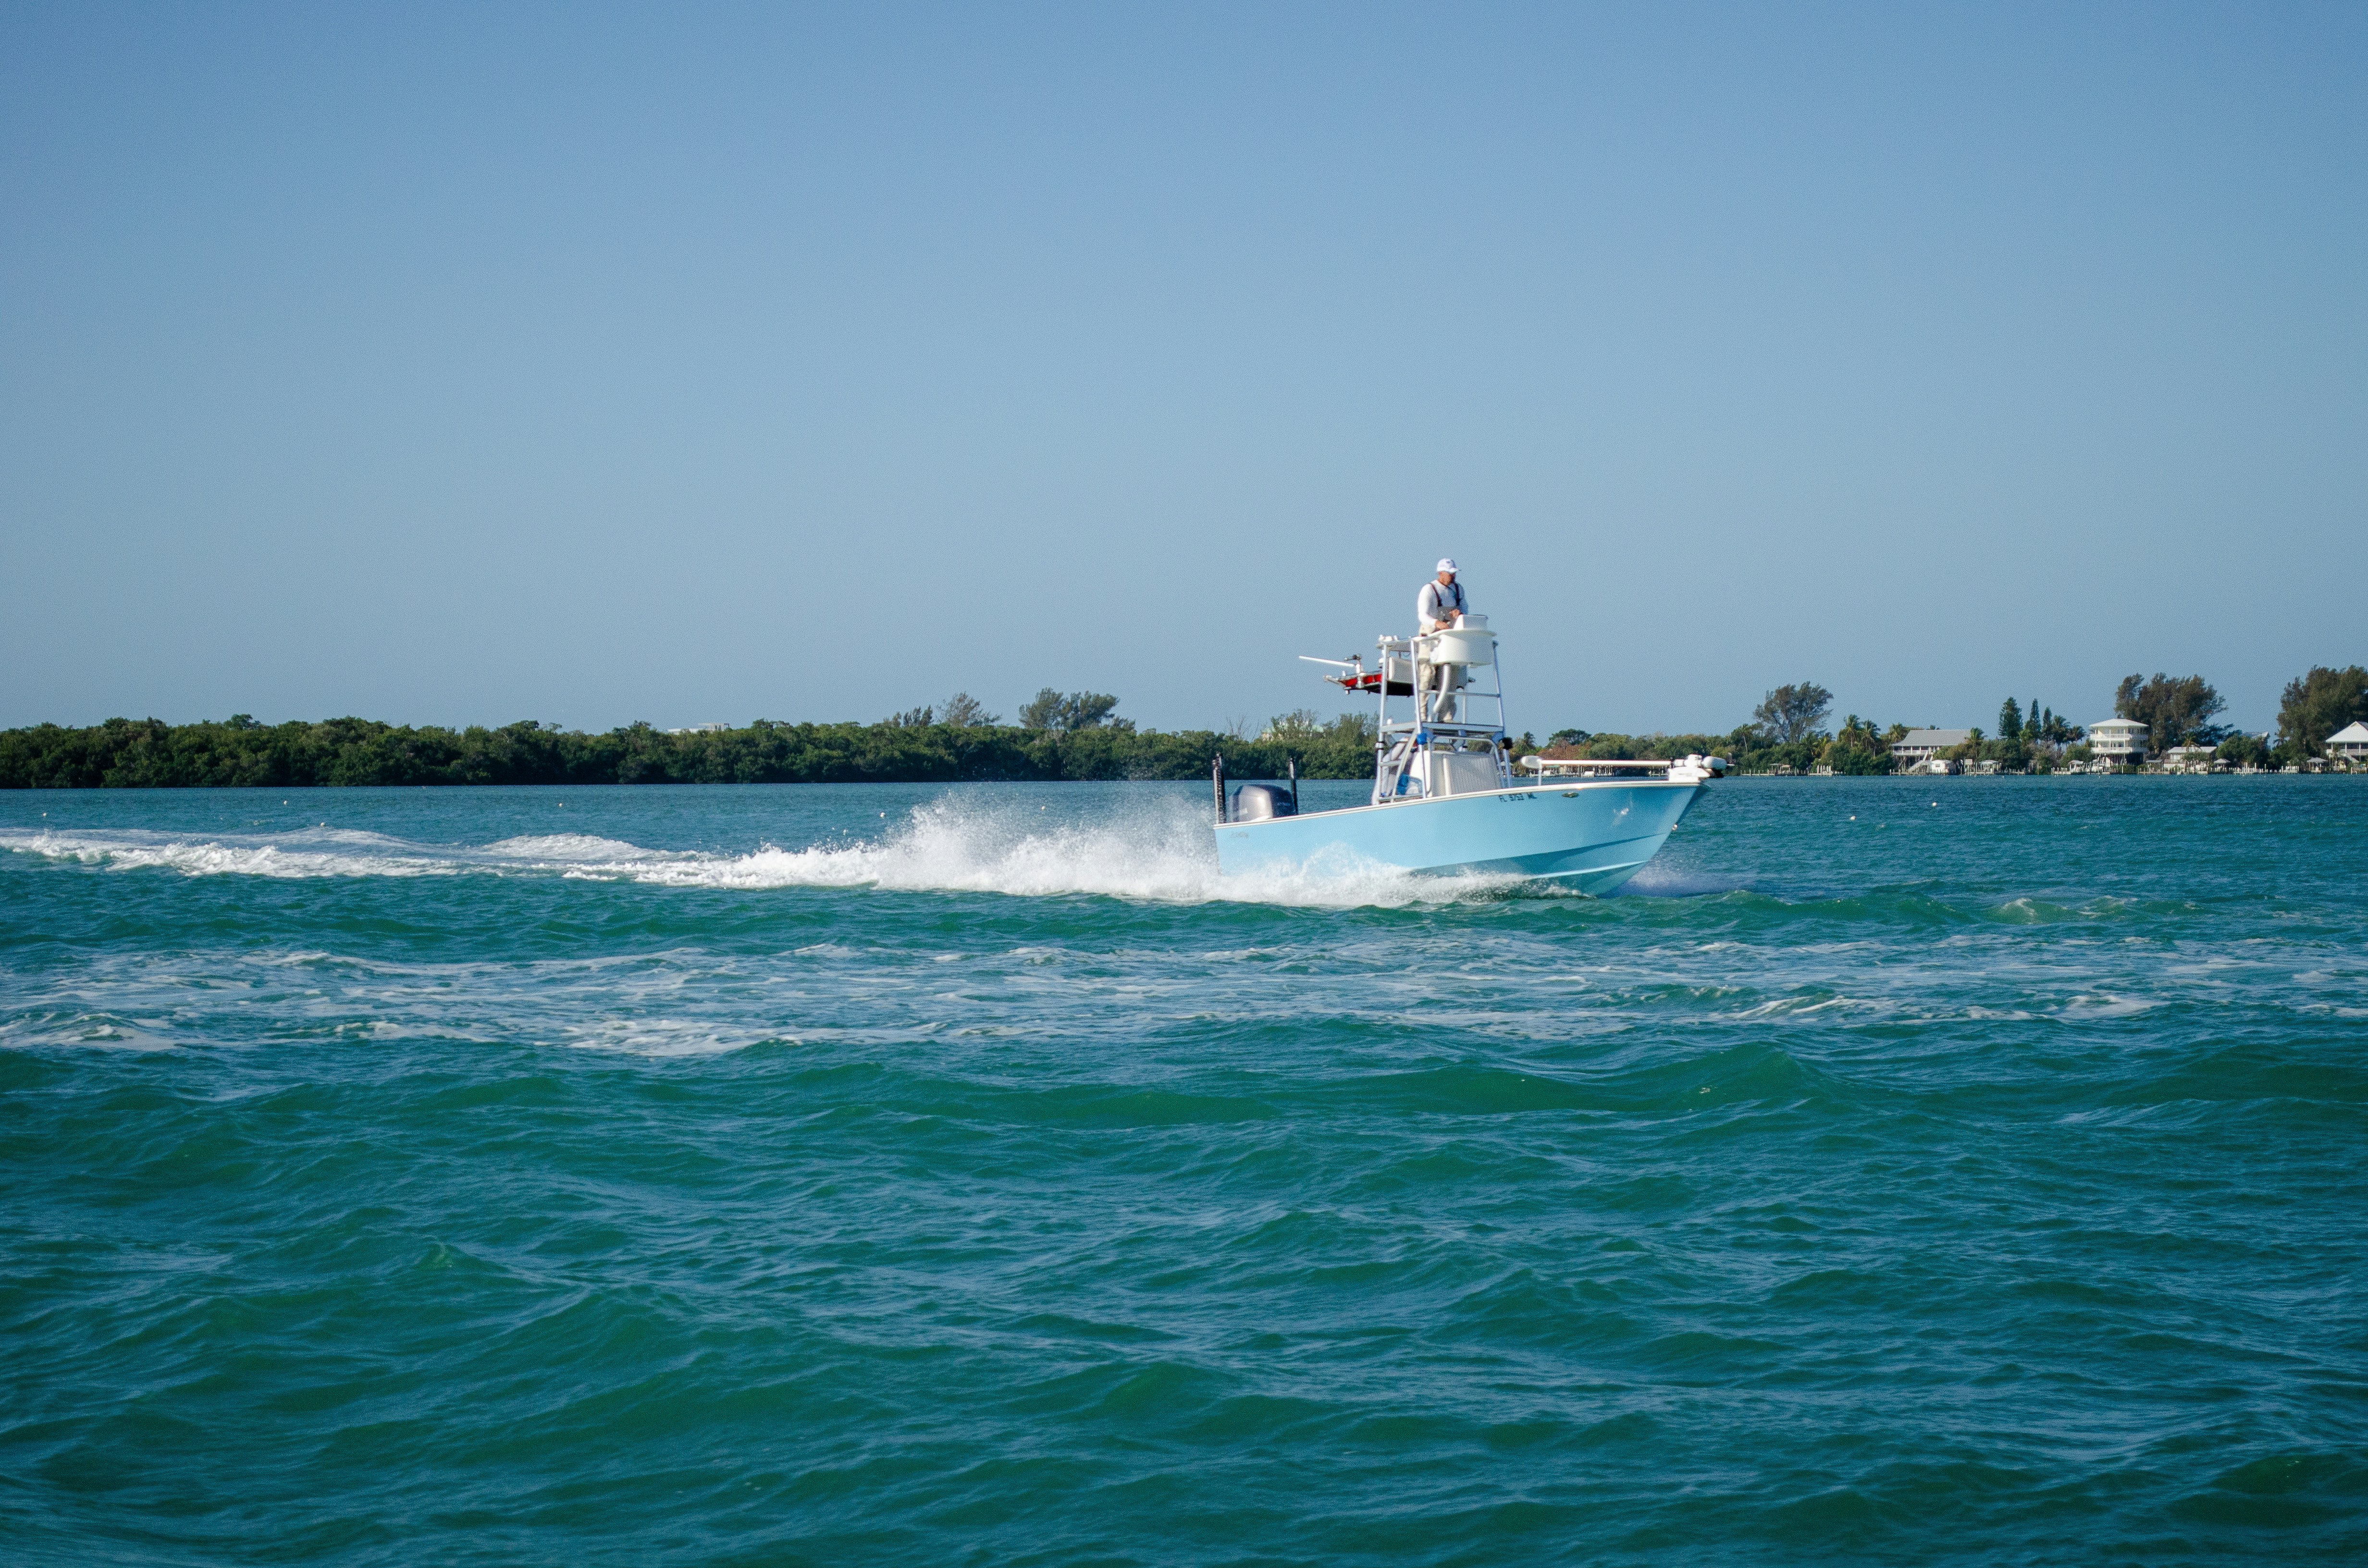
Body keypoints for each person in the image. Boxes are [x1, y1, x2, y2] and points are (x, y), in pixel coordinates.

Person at [1416, 559, 1468, 719]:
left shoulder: (1458, 590)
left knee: (1450, 679)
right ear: (1440, 573)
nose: (1453, 577)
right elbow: (1422, 615)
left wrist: (1459, 614)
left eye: (1454, 574)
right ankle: (1422, 715)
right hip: (1430, 637)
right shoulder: (1429, 589)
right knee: (1427, 676)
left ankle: (1446, 717)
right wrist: (1437, 623)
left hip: (1451, 639)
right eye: (1450, 573)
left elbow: (1465, 609)